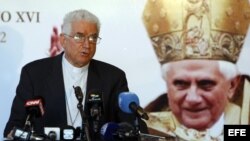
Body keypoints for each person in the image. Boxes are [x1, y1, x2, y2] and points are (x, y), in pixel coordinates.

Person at [4, 9, 147, 140]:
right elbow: (14, 127)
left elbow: (133, 127)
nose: (87, 44)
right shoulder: (34, 73)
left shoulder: (113, 77)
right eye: (80, 37)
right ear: (63, 40)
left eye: (93, 38)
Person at [142, 0, 250, 140]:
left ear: (232, 85)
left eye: (205, 84)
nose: (193, 98)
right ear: (167, 84)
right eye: (181, 84)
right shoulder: (147, 124)